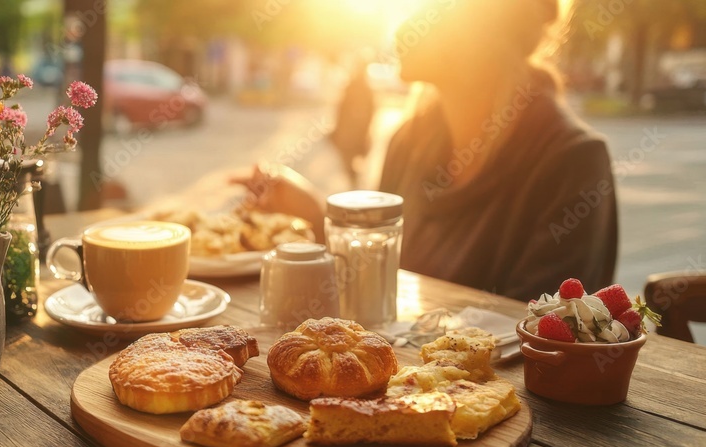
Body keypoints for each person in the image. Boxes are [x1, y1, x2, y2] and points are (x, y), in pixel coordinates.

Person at [233, 0, 617, 301]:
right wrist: (318, 218)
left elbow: (543, 339)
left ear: (483, 30)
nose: (402, 28)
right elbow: (380, 287)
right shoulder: (411, 139)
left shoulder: (572, 161)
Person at [329, 56, 376, 187]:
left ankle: (353, 185)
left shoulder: (359, 87)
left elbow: (344, 110)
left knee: (349, 162)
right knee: (349, 163)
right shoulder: (361, 86)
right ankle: (353, 183)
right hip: (352, 133)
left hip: (352, 134)